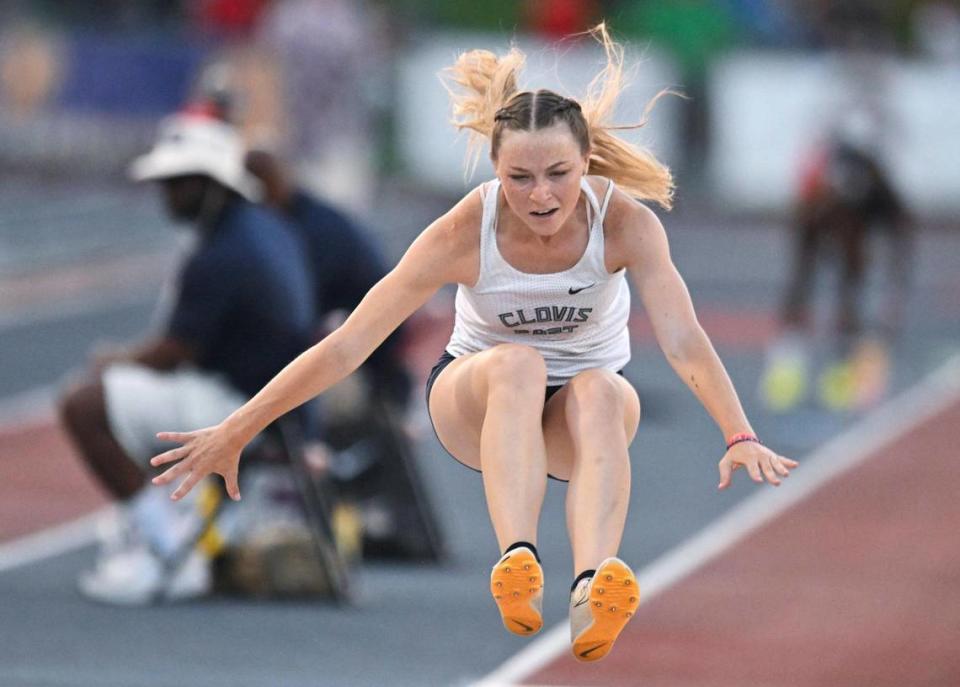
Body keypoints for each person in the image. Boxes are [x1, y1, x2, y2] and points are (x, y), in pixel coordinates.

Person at [149, 25, 796, 662]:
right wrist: (238, 427)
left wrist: (738, 433)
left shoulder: (625, 223)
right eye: (519, 177)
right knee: (518, 360)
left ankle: (593, 584)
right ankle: (518, 560)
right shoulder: (464, 230)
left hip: (580, 419)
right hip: (478, 402)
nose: (540, 196)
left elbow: (683, 338)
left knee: (602, 386)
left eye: (558, 174)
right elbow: (349, 346)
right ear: (494, 168)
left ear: (587, 162)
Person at [58, 112, 315, 604]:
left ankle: (164, 543)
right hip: (277, 403)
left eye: (176, 184)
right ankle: (169, 529)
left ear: (207, 184)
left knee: (84, 405)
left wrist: (115, 361)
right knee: (126, 400)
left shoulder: (222, 252)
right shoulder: (266, 228)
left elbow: (174, 352)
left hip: (242, 406)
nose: (166, 196)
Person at [244, 147, 445, 561]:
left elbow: (298, 320)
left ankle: (286, 516)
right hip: (377, 365)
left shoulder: (309, 233)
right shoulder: (305, 220)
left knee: (269, 385)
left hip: (370, 374)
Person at [760, 112, 912, 413]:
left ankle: (841, 368)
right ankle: (787, 363)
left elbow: (900, 236)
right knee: (803, 286)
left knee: (851, 287)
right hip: (815, 219)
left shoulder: (880, 193)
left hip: (854, 221)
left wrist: (895, 289)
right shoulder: (817, 195)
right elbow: (803, 254)